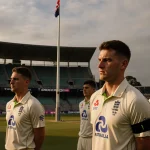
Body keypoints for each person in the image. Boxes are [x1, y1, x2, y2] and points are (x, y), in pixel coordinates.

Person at [90, 40, 150, 150]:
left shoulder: (135, 100)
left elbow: (144, 144)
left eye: (107, 60)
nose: (100, 65)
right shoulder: (94, 97)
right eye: (99, 60)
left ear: (123, 64)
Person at [5, 67, 45, 150]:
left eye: (15, 79)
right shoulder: (9, 104)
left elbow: (40, 135)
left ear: (26, 82)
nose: (11, 82)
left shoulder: (34, 104)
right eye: (11, 79)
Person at [77, 80, 96, 150]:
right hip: (81, 138)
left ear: (93, 89)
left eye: (87, 88)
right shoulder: (81, 103)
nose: (84, 90)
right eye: (83, 88)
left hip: (91, 138)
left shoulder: (96, 103)